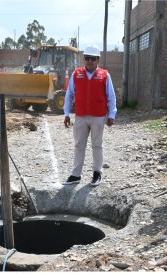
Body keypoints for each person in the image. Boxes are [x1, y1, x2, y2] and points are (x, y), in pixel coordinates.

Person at [62, 45, 117, 186]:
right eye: (87, 58)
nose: (90, 61)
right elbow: (69, 95)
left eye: (93, 58)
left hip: (98, 116)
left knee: (97, 145)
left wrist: (111, 115)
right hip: (80, 116)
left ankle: (97, 173)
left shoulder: (105, 75)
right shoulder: (76, 74)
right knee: (79, 145)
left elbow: (111, 96)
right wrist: (66, 113)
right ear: (83, 59)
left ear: (98, 60)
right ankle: (76, 175)